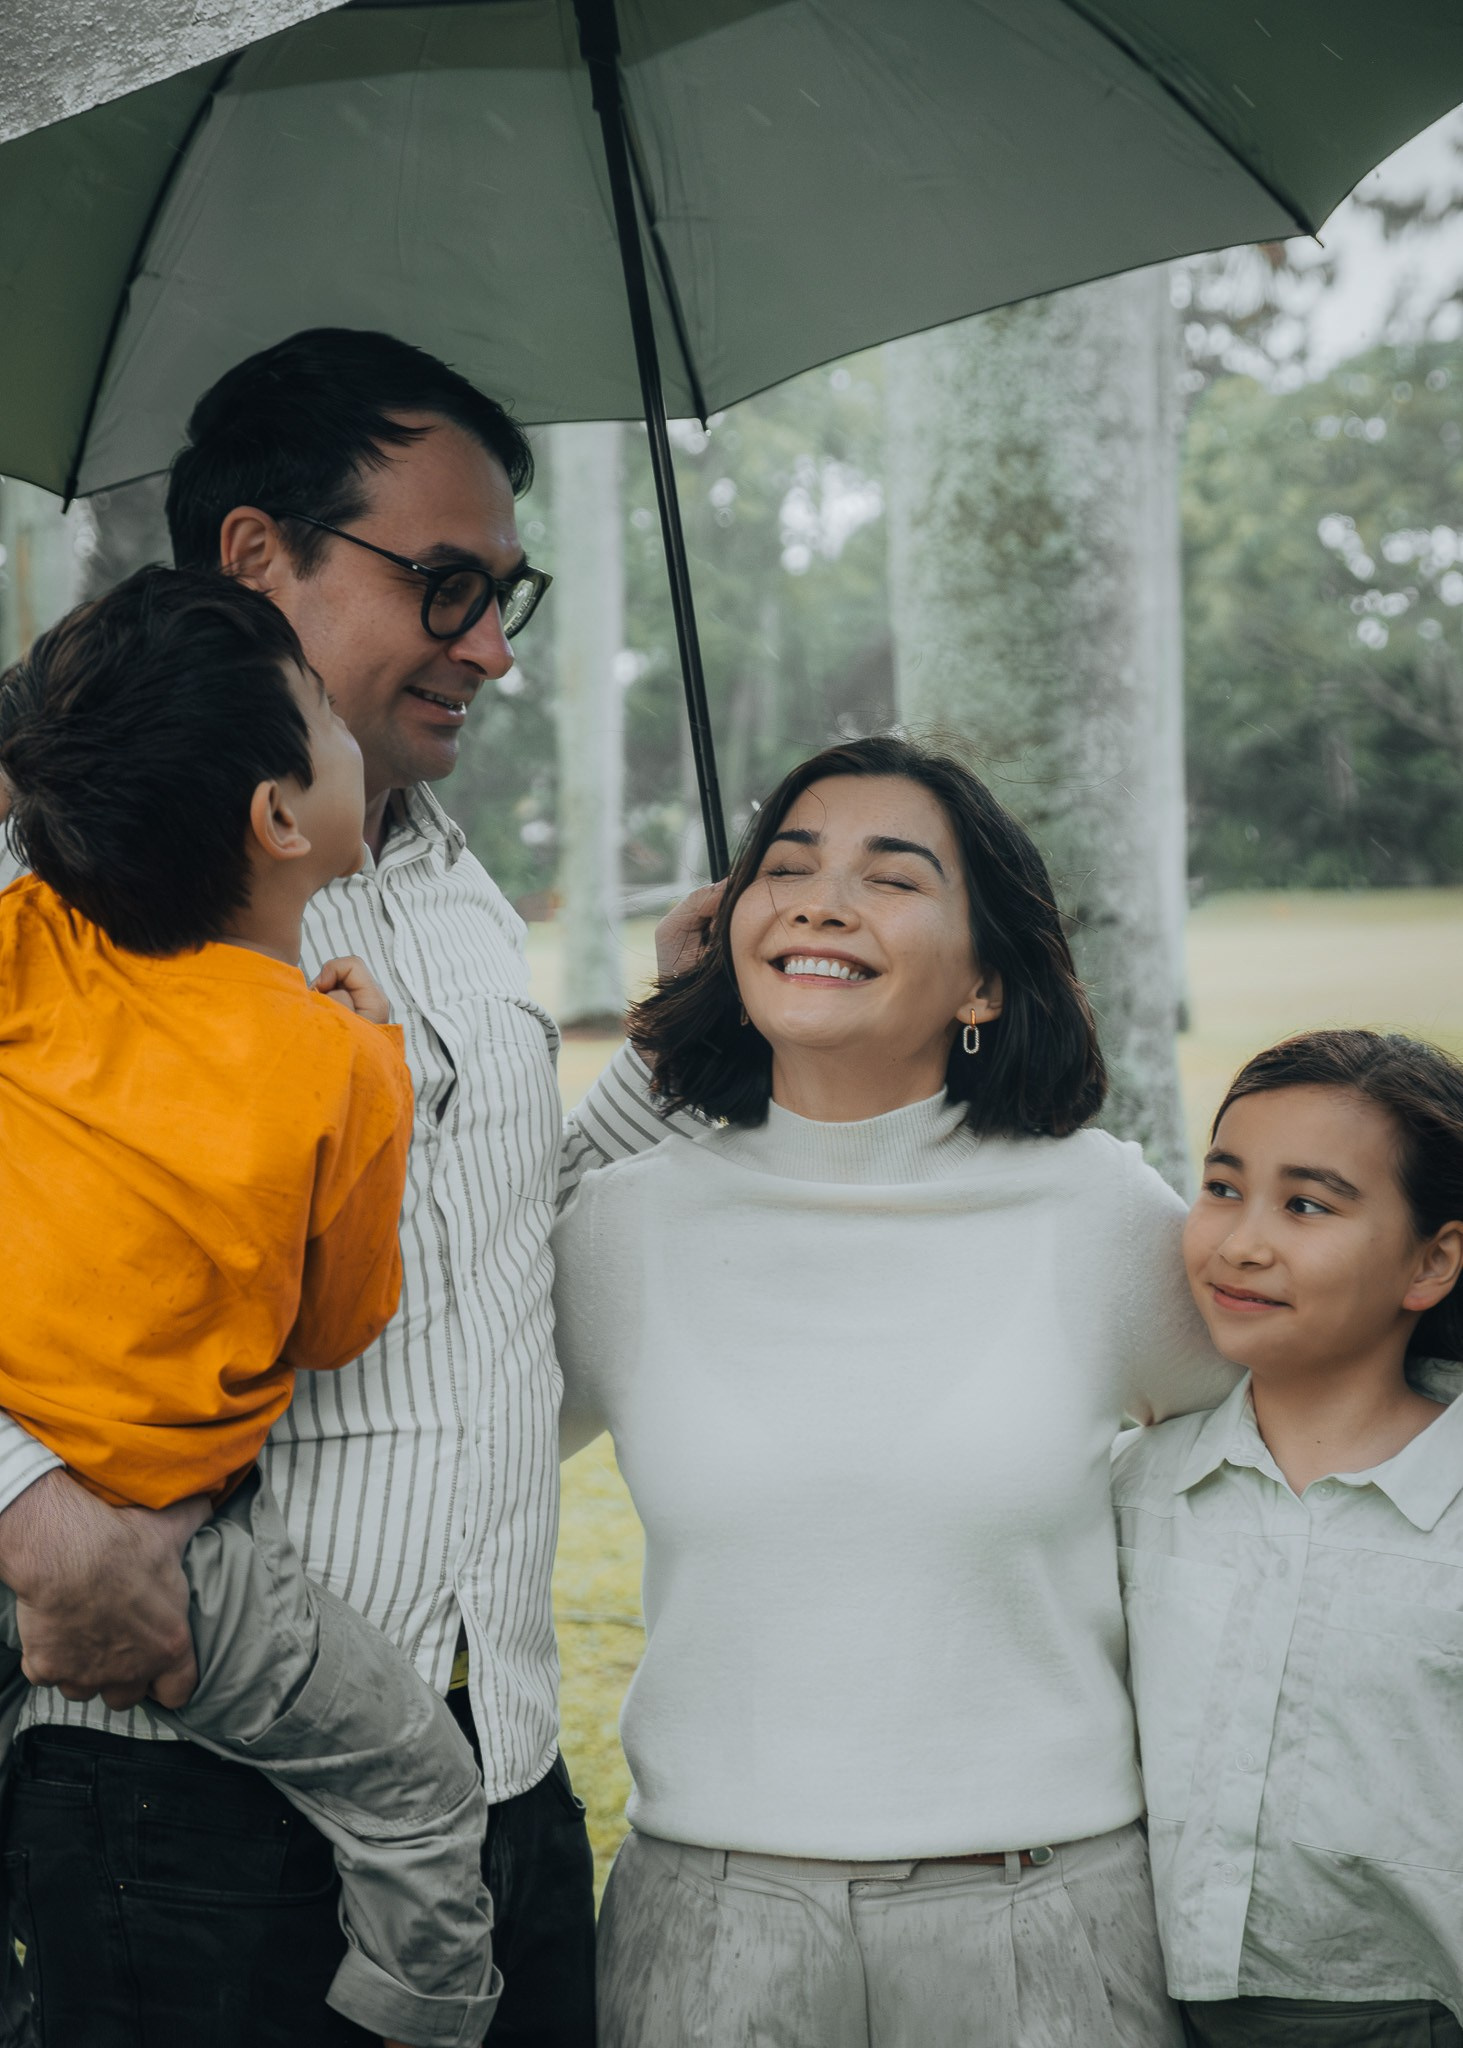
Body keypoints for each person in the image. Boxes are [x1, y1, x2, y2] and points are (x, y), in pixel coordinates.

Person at [0, 329, 701, 2046]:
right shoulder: (45, 881)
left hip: (507, 1777)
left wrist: (688, 1039)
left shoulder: (460, 894)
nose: (487, 649)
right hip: (181, 1798)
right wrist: (24, 1496)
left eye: (505, 599)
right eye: (444, 584)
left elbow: (491, 1244)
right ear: (258, 554)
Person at [553, 733, 1236, 2048]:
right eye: (787, 867)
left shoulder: (1095, 1209)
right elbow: (463, 1455)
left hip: (1040, 1923)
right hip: (708, 1927)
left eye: (890, 875)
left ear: (981, 976)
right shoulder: (621, 1228)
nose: (818, 899)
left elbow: (1288, 1447)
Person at [0, 564, 500, 2048]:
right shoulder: (344, 1064)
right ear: (284, 821)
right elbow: (336, 1323)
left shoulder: (35, 948)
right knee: (417, 1793)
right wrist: (368, 1071)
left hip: (25, 1486)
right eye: (319, 727)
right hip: (170, 1556)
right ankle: (419, 2015)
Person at [1112, 1030, 1463, 2048]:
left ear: (1431, 1258)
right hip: (1140, 2002)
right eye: (1221, 1187)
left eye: (1304, 1203)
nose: (1239, 1241)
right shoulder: (1134, 1486)